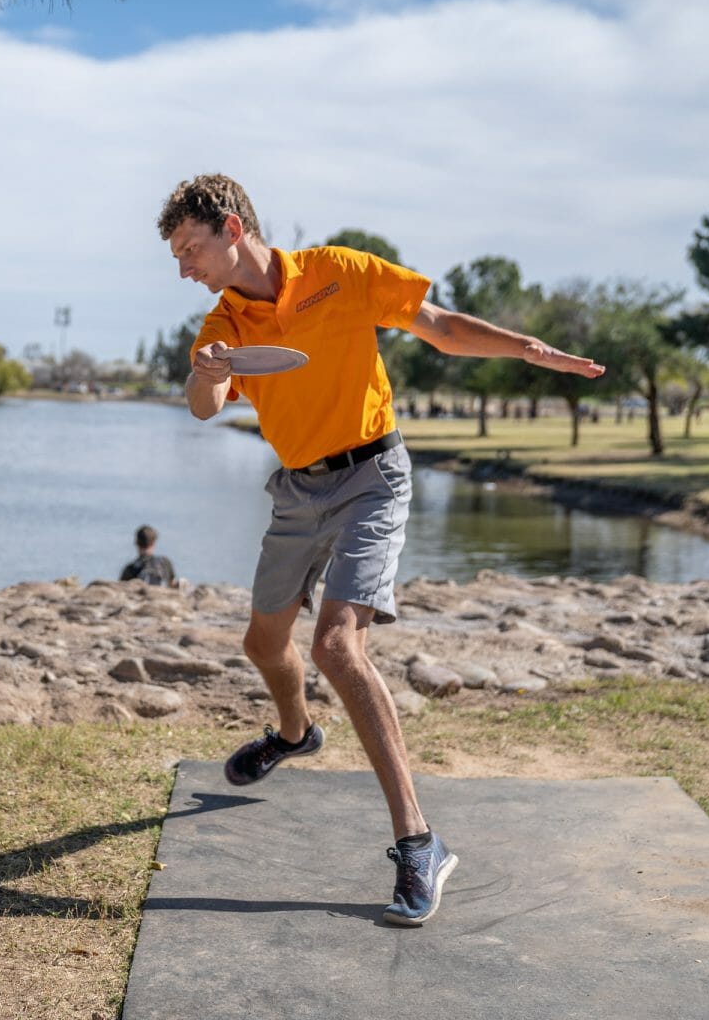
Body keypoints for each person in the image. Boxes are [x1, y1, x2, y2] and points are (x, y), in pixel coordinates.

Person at [158, 173, 604, 926]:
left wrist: (527, 350)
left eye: (190, 248)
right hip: (298, 490)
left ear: (232, 230)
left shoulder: (340, 273)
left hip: (372, 474)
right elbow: (204, 409)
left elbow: (440, 325)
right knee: (264, 645)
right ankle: (295, 735)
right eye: (176, 255)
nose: (183, 267)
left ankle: (419, 841)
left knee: (337, 644)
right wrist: (208, 374)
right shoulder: (224, 325)